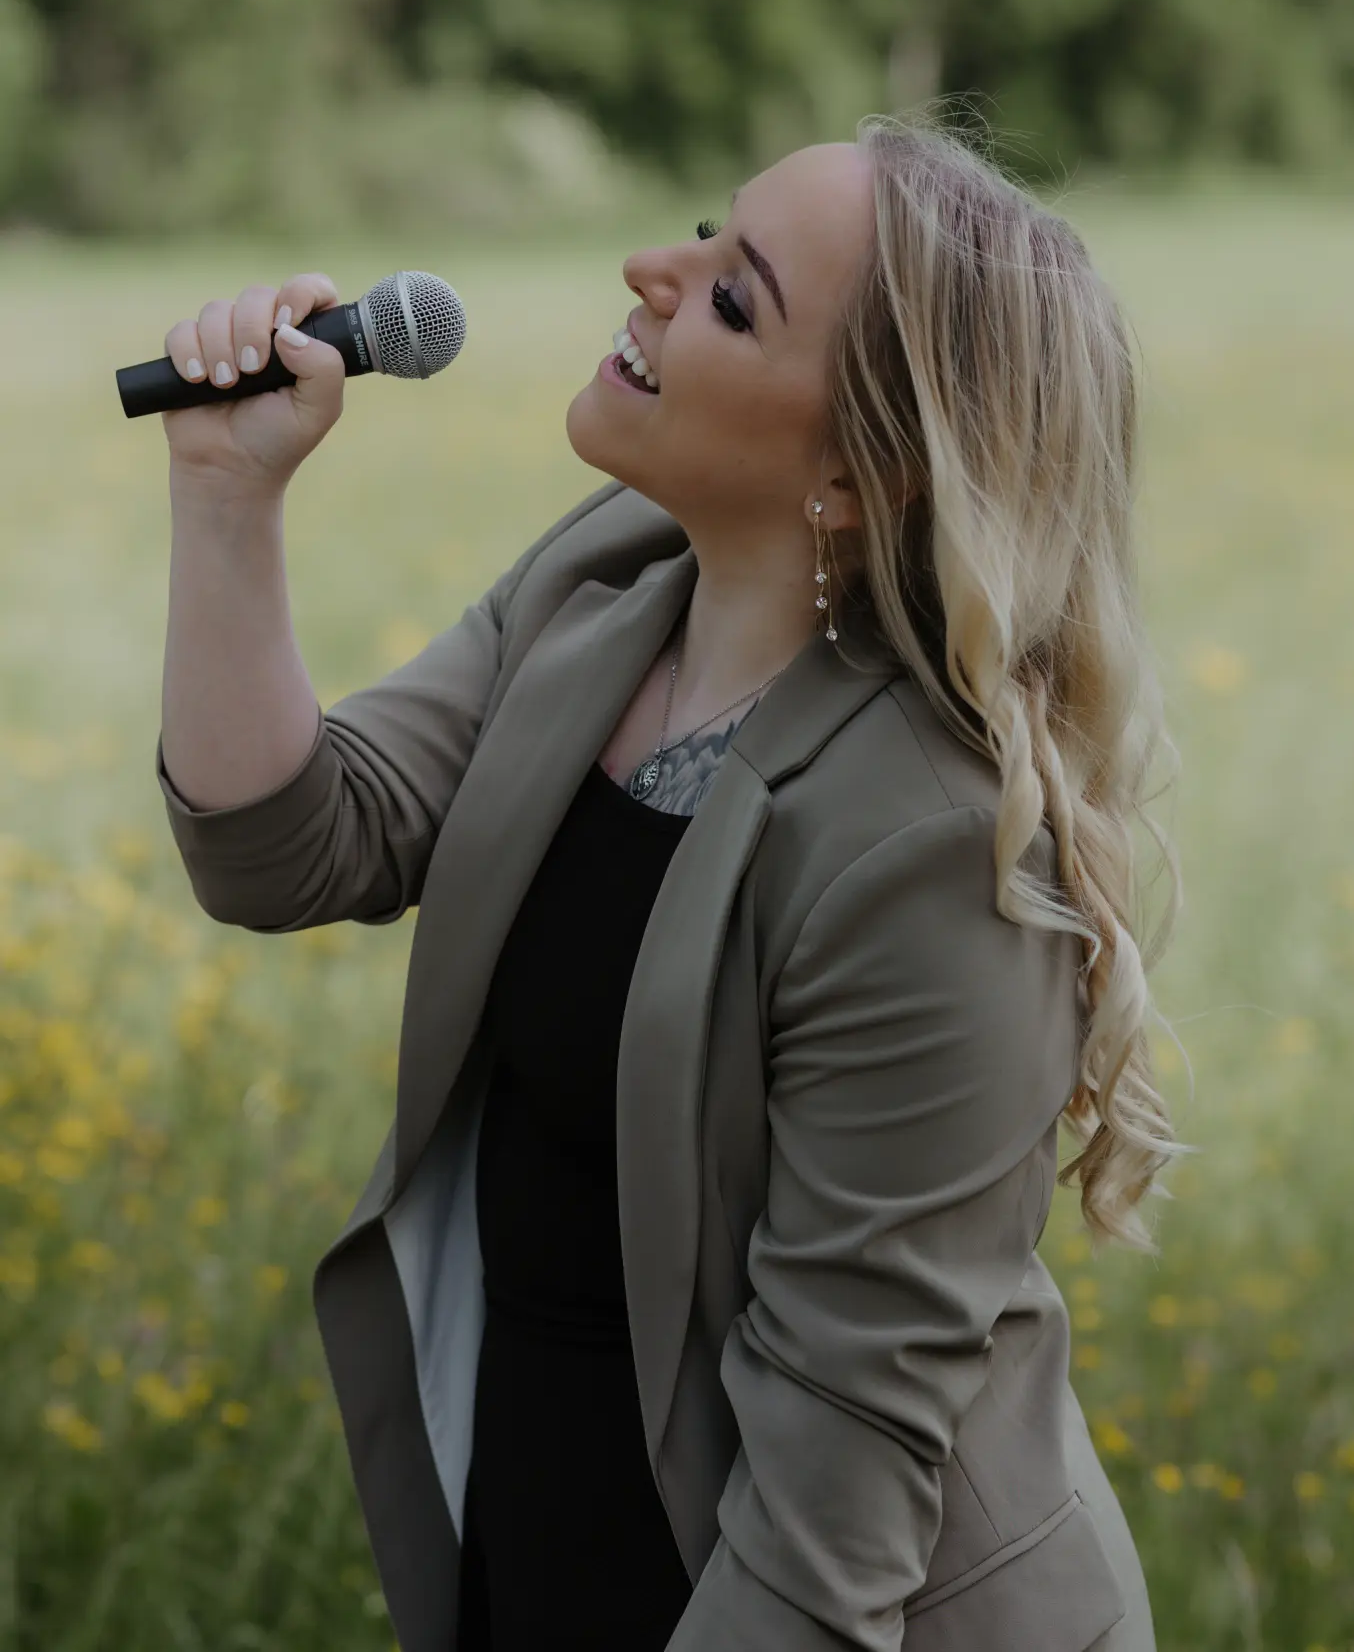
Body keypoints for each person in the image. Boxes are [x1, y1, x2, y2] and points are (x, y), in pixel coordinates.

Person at [154, 114, 1180, 1651]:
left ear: (860, 473)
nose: (650, 269)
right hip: (557, 1520)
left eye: (734, 295)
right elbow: (292, 846)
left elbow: (831, 1514)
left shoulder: (931, 856)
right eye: (705, 231)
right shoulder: (617, 577)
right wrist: (227, 495)